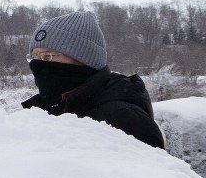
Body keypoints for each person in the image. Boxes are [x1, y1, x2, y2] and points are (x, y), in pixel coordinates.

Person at [21, 11, 165, 149]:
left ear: (83, 60)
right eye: (34, 57)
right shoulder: (45, 108)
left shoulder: (124, 119)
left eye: (48, 57)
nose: (37, 65)